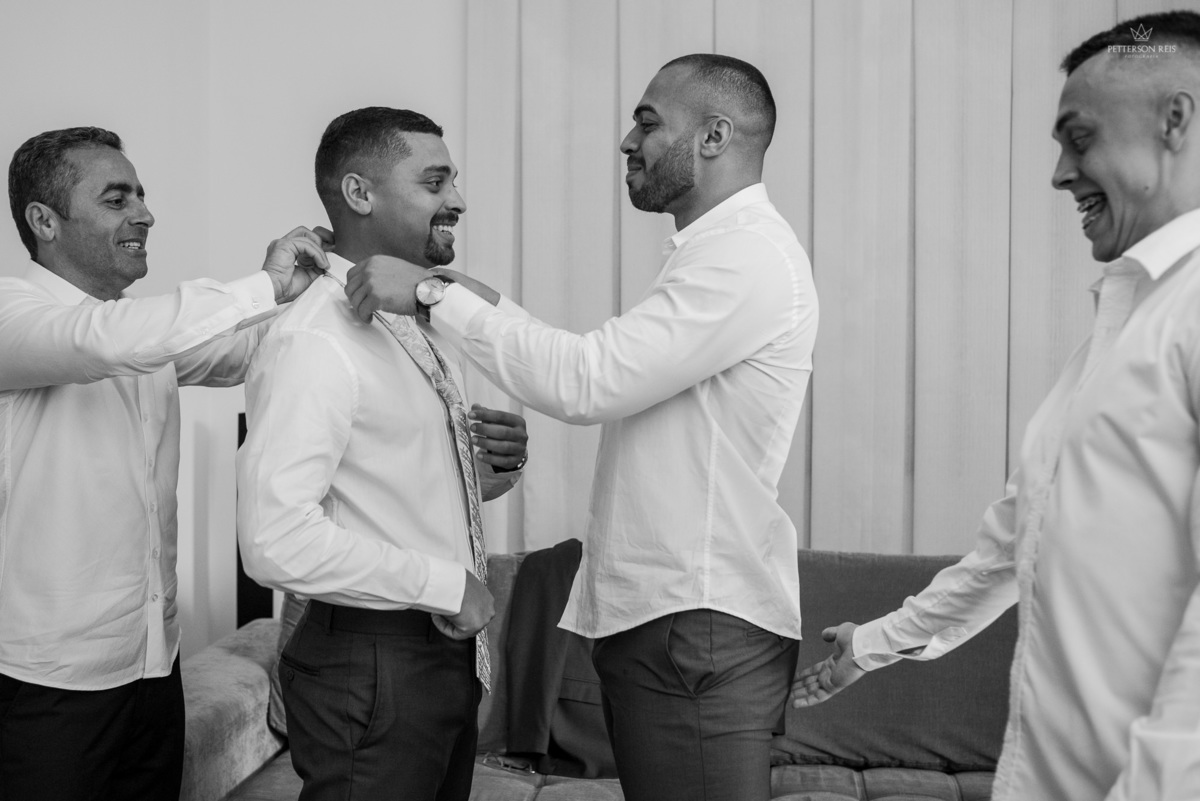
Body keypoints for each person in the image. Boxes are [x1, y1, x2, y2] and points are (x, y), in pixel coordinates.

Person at [339, 55, 819, 801]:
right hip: (673, 620)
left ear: (715, 136)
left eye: (648, 123)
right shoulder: (719, 253)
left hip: (695, 620)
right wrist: (453, 288)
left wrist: (430, 293)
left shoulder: (745, 256)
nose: (628, 141)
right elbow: (598, 361)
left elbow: (588, 379)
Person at [789, 11, 1200, 801]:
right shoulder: (1119, 326)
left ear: (1174, 120)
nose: (1059, 173)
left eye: (1080, 139)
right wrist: (873, 643)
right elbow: (1015, 544)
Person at [0, 126, 328, 800]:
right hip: (46, 682)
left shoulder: (138, 331)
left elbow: (243, 352)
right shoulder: (15, 314)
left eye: (141, 196)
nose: (145, 215)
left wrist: (310, 291)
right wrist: (262, 282)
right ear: (44, 220)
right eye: (117, 199)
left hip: (154, 665)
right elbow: (103, 342)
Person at [236, 107, 529, 801]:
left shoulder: (416, 321)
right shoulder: (316, 337)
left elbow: (383, 486)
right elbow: (275, 539)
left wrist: (478, 475)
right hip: (370, 664)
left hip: (433, 662)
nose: (457, 199)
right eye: (434, 182)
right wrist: (447, 584)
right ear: (360, 193)